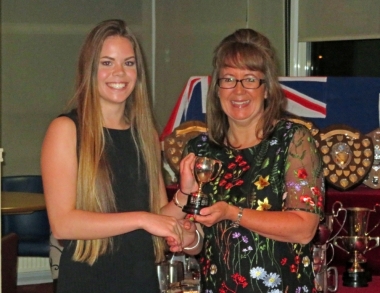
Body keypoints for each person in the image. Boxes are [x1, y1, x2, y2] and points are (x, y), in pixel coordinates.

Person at [164, 28, 325, 293]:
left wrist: (232, 213)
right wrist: (190, 236)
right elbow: (198, 241)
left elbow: (304, 228)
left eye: (250, 79)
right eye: (228, 79)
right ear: (217, 89)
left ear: (267, 89)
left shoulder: (294, 141)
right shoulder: (200, 149)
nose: (238, 90)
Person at [41, 19, 185, 293]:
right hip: (88, 282)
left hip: (142, 280)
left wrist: (186, 193)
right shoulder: (66, 130)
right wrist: (142, 218)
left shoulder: (146, 134)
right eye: (107, 63)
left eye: (128, 63)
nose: (119, 72)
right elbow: (63, 225)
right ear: (89, 69)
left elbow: (159, 215)